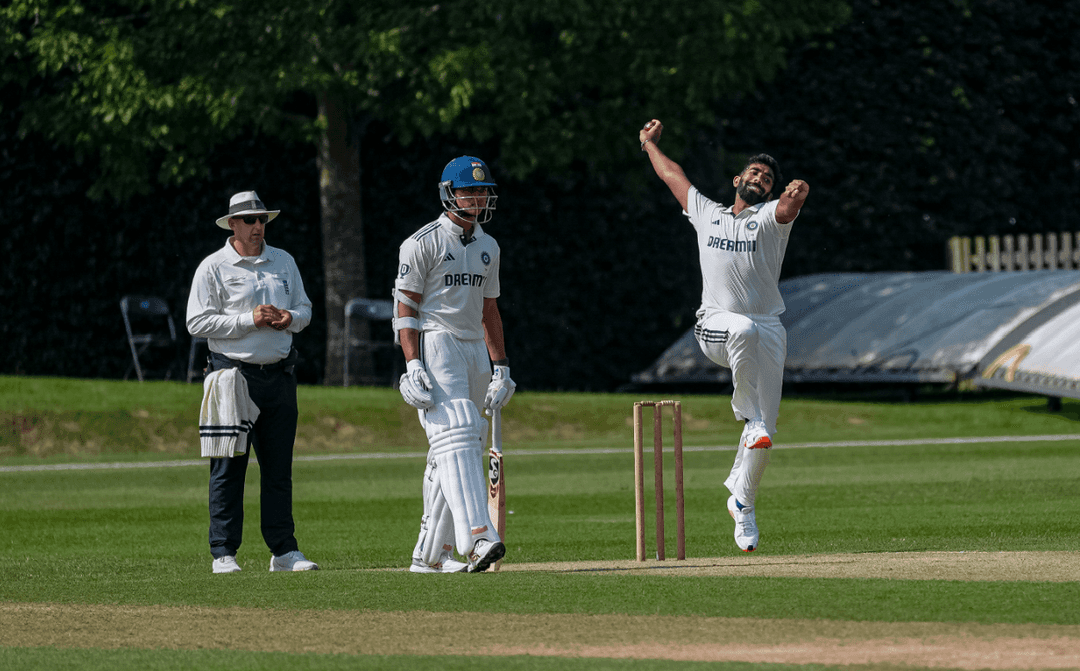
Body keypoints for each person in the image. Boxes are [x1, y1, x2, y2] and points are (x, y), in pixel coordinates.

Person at [638, 119, 809, 553]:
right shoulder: (707, 213)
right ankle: (746, 414)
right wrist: (649, 145)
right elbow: (672, 175)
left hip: (768, 328)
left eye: (768, 179)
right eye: (754, 173)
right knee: (743, 332)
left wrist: (797, 194)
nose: (761, 179)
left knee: (766, 434)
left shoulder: (769, 218)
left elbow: (788, 210)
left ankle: (743, 502)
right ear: (738, 180)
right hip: (714, 324)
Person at [394, 156, 516, 574]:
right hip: (438, 339)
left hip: (473, 347)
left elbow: (490, 310)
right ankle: (478, 539)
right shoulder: (421, 242)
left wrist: (501, 366)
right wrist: (412, 363)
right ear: (450, 193)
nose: (479, 198)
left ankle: (430, 554)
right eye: (470, 190)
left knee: (461, 443)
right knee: (458, 430)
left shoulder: (489, 246)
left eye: (483, 191)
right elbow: (406, 307)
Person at [186, 190, 319, 574]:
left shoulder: (284, 261)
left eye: (261, 219)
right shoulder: (213, 268)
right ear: (232, 224)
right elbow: (197, 322)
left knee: (279, 469)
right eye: (249, 220)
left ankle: (283, 550)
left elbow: (306, 309)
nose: (258, 226)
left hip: (280, 375)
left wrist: (288, 318)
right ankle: (224, 552)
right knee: (229, 466)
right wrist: (249, 319)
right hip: (233, 378)